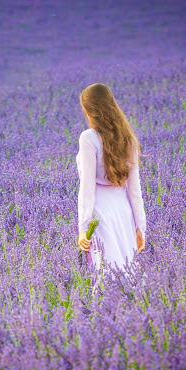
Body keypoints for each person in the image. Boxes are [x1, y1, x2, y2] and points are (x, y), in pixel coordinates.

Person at [76, 83, 146, 277]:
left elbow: (87, 187)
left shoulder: (89, 138)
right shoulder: (128, 139)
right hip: (124, 213)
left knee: (104, 276)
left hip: (100, 215)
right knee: (128, 274)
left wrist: (83, 227)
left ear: (91, 110)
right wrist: (140, 227)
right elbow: (135, 190)